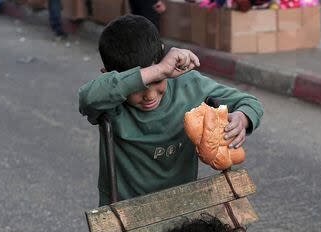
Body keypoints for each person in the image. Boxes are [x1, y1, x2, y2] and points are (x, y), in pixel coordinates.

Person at [78, 14, 263, 206]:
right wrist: (159, 71)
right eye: (137, 86)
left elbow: (250, 102)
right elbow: (87, 97)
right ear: (110, 77)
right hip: (125, 209)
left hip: (182, 204)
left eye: (158, 82)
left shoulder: (188, 85)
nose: (149, 95)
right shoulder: (110, 99)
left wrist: (242, 118)